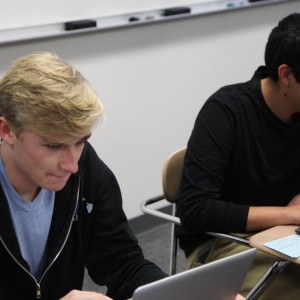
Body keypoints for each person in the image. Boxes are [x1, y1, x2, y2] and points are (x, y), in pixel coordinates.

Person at [0, 51, 168, 300]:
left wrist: (188, 292)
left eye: (80, 142)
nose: (72, 165)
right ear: (7, 130)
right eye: (54, 145)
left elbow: (122, 263)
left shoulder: (86, 165)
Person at [178, 13, 300, 299]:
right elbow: (196, 210)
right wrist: (287, 213)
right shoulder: (225, 112)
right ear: (286, 75)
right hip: (223, 245)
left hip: (286, 233)